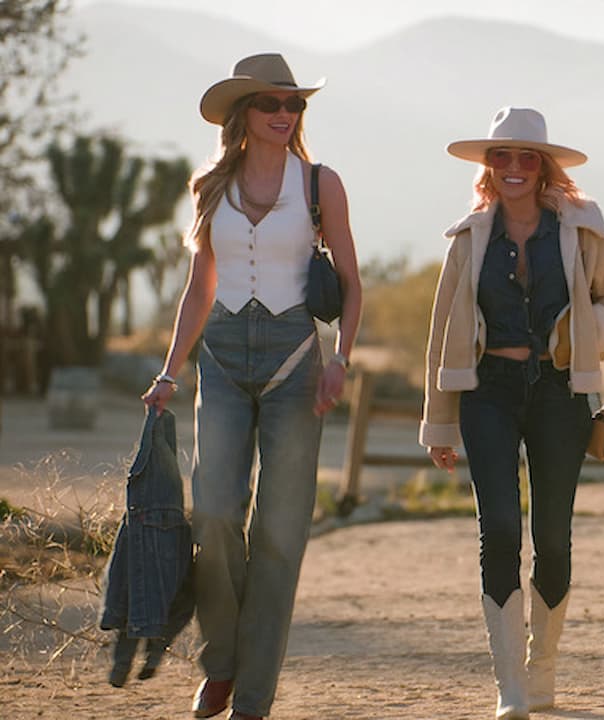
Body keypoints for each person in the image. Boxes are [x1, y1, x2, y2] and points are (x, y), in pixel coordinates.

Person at [142, 53, 362, 720]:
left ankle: (253, 698)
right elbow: (200, 285)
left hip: (298, 360)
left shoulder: (322, 184)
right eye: (271, 104)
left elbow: (351, 283)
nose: (284, 115)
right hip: (224, 362)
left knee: (281, 532)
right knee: (212, 512)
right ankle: (221, 663)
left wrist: (341, 360)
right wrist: (169, 370)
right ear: (244, 113)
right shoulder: (210, 183)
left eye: (293, 104)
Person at [421, 107, 604, 720]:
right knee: (498, 531)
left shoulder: (581, 227)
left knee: (553, 536)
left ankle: (542, 670)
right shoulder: (468, 237)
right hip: (486, 390)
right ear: (487, 167)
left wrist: (587, 332)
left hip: (560, 392)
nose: (513, 168)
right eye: (501, 157)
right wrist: (438, 425)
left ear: (543, 167)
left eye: (526, 157)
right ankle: (509, 685)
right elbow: (444, 332)